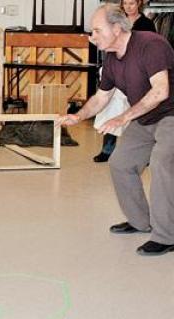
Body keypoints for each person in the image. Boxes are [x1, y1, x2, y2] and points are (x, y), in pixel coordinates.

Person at [59, 4, 174, 256]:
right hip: (144, 117)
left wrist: (123, 117)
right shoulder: (111, 59)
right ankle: (140, 221)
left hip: (170, 115)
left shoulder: (150, 45)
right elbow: (101, 98)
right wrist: (77, 116)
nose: (92, 37)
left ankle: (166, 236)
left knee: (162, 163)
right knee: (120, 163)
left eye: (97, 31)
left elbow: (160, 91)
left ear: (117, 28)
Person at [93, 0, 156, 163]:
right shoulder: (117, 21)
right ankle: (107, 150)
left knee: (140, 111)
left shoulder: (147, 23)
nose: (128, 7)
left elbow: (150, 51)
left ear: (139, 4)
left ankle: (145, 152)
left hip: (139, 73)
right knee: (112, 108)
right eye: (126, 3)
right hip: (118, 69)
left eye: (132, 3)